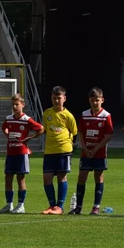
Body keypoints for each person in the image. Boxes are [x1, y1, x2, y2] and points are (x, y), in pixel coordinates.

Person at [0, 93, 43, 214]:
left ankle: (21, 205)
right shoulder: (9, 118)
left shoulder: (26, 120)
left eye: (17, 104)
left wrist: (29, 138)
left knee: (20, 178)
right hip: (11, 152)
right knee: (8, 178)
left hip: (21, 153)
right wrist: (8, 136)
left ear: (23, 105)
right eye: (13, 104)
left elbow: (41, 129)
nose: (14, 107)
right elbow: (4, 128)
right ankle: (9, 204)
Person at [73, 87, 114, 215]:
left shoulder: (106, 116)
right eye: (92, 100)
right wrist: (84, 147)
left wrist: (96, 148)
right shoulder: (85, 115)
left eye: (97, 100)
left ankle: (96, 206)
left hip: (99, 153)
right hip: (86, 152)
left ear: (102, 100)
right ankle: (78, 206)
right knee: (82, 177)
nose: (95, 103)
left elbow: (108, 135)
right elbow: (80, 132)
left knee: (99, 177)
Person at [40, 86, 78, 215]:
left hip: (64, 150)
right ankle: (51, 205)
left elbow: (74, 132)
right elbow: (45, 129)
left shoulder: (68, 116)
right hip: (49, 150)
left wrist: (69, 144)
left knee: (62, 177)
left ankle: (60, 206)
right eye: (54, 98)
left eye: (59, 98)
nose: (56, 101)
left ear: (64, 99)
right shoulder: (47, 113)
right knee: (47, 178)